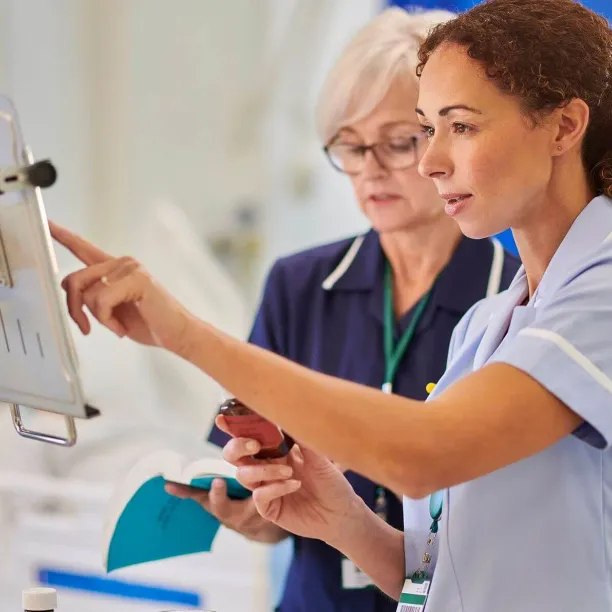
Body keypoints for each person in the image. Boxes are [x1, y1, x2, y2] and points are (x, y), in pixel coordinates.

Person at [50, 0, 612, 610]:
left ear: (562, 127)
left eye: (460, 126)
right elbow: (440, 579)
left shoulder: (599, 296)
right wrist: (342, 522)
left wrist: (184, 333)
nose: (430, 161)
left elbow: (426, 453)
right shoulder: (489, 325)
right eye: (427, 128)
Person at [165, 8, 518, 612]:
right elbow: (257, 480)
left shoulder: (513, 297)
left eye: (397, 143)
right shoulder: (298, 285)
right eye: (350, 147)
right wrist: (256, 514)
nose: (370, 170)